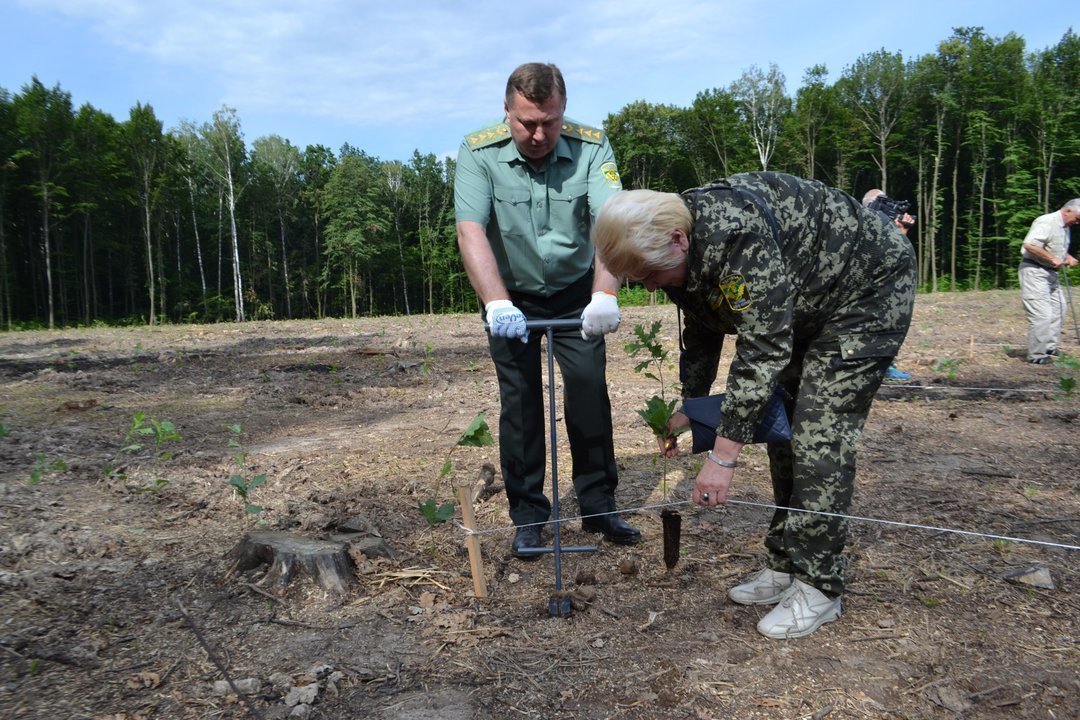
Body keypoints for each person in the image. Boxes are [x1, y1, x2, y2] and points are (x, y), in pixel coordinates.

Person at [592, 173, 916, 639]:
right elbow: (703, 326)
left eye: (650, 275)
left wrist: (722, 458)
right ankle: (786, 563)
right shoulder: (678, 241)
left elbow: (762, 351)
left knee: (819, 434)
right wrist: (693, 408)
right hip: (805, 304)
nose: (650, 288)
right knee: (784, 427)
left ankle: (820, 585)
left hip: (865, 292)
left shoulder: (734, 236)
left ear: (678, 241)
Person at [453, 62, 640, 558]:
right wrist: (495, 302)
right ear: (507, 111)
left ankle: (599, 506)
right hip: (510, 295)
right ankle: (528, 515)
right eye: (526, 123)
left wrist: (605, 293)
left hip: (577, 289)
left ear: (564, 111)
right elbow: (471, 229)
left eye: (550, 122)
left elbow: (612, 220)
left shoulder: (592, 145)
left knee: (586, 389)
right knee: (520, 402)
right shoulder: (477, 151)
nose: (539, 134)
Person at [862, 189, 916, 381]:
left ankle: (886, 365)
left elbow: (897, 256)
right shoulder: (863, 226)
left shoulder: (883, 227)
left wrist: (902, 231)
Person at [1018, 199, 1080, 364]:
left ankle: (1049, 347)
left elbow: (1052, 246)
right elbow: (1029, 245)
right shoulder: (1047, 221)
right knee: (1042, 314)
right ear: (1068, 211)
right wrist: (1052, 258)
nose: (1077, 222)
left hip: (1051, 273)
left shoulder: (1065, 227)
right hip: (1035, 271)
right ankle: (1036, 355)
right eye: (1078, 218)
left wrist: (1066, 256)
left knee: (1059, 308)